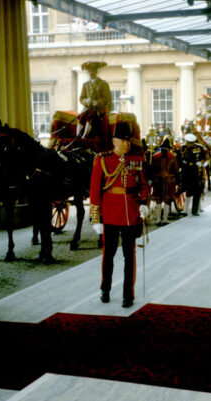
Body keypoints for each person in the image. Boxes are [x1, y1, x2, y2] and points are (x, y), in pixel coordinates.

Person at [90, 121, 150, 308]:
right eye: (123, 140)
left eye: (129, 141)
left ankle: (128, 295)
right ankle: (105, 289)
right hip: (110, 216)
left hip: (131, 215)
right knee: (109, 255)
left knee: (129, 256)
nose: (127, 144)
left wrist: (144, 202)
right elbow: (94, 191)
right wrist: (96, 218)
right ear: (114, 141)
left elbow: (143, 185)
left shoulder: (137, 159)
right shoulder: (103, 159)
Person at [150, 135, 180, 225]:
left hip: (157, 181)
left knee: (158, 200)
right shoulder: (172, 156)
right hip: (169, 181)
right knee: (167, 200)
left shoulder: (155, 156)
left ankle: (158, 219)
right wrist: (177, 182)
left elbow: (152, 170)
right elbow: (176, 170)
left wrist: (152, 181)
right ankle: (165, 219)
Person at [79, 60, 112, 141]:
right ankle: (78, 135)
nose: (91, 73)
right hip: (87, 108)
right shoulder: (85, 85)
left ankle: (84, 136)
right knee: (81, 117)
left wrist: (97, 102)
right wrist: (86, 101)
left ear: (96, 71)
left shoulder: (103, 84)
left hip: (99, 110)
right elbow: (81, 98)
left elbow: (107, 99)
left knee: (91, 115)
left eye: (92, 71)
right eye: (89, 71)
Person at [179, 133, 208, 216]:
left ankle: (195, 210)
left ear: (194, 142)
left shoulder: (199, 147)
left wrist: (202, 163)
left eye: (191, 143)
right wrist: (182, 164)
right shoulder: (182, 147)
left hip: (196, 170)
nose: (189, 145)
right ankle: (185, 209)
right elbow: (179, 158)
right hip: (186, 171)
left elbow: (205, 157)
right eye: (188, 143)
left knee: (197, 191)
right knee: (188, 190)